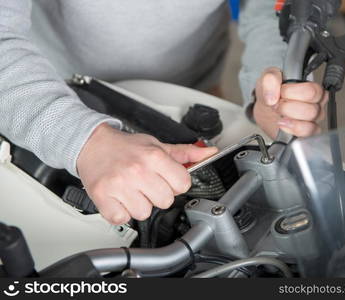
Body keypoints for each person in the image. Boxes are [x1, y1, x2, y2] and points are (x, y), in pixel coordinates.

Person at [0, 0, 327, 225]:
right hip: (39, 91)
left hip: (192, 86)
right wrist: (82, 140)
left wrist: (273, 82)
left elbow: (273, 8)